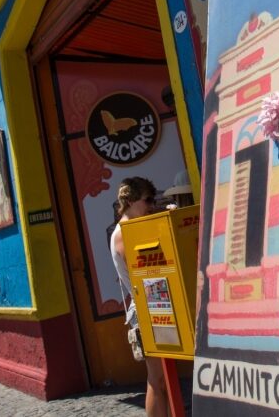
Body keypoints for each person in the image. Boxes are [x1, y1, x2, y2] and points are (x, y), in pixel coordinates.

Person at [110, 177, 169, 417]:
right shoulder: (126, 232)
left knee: (162, 378)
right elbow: (146, 267)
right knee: (157, 379)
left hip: (151, 304)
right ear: (131, 201)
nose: (152, 205)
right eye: (148, 200)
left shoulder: (131, 228)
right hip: (145, 308)